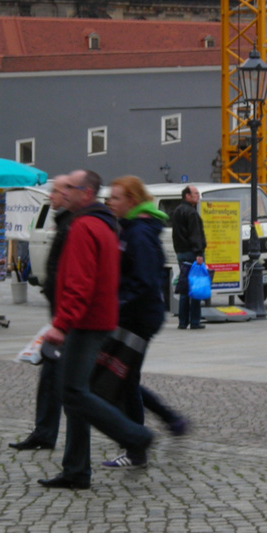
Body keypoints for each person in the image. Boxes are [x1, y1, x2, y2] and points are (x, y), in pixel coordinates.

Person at [38, 170, 154, 490]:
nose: (62, 194)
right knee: (76, 393)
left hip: (85, 322)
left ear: (86, 193)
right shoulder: (105, 225)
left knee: (74, 393)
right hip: (98, 319)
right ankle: (76, 469)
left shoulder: (84, 227)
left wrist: (61, 324)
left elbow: (80, 282)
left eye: (70, 189)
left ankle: (135, 435)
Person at [101, 176, 189, 469]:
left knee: (123, 380)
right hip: (132, 316)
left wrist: (117, 304)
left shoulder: (138, 233)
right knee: (124, 379)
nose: (110, 203)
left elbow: (144, 281)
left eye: (115, 198)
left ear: (133, 201)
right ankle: (168, 422)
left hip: (138, 319)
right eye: (109, 198)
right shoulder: (130, 229)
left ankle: (138, 446)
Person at [9, 175, 73, 451]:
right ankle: (44, 432)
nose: (50, 197)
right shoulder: (64, 224)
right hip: (60, 317)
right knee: (51, 376)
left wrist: (63, 318)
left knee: (98, 385)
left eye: (55, 192)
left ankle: (133, 435)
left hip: (70, 320)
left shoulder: (74, 227)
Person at [170, 185, 207, 330]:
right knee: (196, 287)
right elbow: (195, 235)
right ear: (187, 196)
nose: (198, 196)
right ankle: (195, 321)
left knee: (185, 288)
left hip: (181, 253)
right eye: (195, 193)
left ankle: (182, 321)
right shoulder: (191, 213)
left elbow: (176, 234)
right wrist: (199, 253)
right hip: (192, 253)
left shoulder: (177, 211)